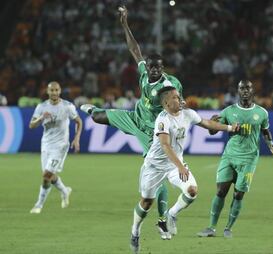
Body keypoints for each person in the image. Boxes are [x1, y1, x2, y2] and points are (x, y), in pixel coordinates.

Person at [80, 6, 181, 239]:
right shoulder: (145, 73)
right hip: (134, 118)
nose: (153, 69)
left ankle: (163, 221)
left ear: (163, 69)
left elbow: (178, 105)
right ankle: (92, 109)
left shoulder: (170, 86)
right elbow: (135, 50)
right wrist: (125, 24)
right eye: (151, 66)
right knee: (98, 117)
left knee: (157, 175)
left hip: (151, 131)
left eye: (158, 67)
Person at [129, 86, 239, 253]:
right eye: (174, 97)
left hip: (175, 165)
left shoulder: (188, 114)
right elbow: (165, 145)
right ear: (166, 103)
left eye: (179, 96)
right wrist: (180, 166)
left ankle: (171, 214)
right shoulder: (163, 119)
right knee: (146, 203)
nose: (179, 99)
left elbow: (207, 123)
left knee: (192, 191)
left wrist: (230, 128)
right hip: (154, 167)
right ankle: (135, 232)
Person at [197, 80, 273, 238]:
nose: (245, 91)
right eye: (242, 88)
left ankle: (228, 228)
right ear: (238, 91)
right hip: (229, 156)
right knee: (221, 191)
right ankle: (211, 227)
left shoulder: (262, 112)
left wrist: (271, 145)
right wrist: (213, 122)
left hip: (249, 159)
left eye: (248, 88)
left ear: (252, 91)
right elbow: (212, 132)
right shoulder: (229, 111)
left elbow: (265, 130)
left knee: (238, 194)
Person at [29, 81, 83, 214]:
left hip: (60, 145)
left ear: (60, 91)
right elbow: (31, 125)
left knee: (46, 174)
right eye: (51, 90)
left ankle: (38, 205)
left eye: (56, 90)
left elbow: (79, 121)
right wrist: (41, 118)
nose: (54, 92)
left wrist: (76, 138)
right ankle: (65, 191)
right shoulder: (41, 107)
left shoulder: (67, 106)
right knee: (48, 176)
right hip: (46, 144)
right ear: (47, 92)